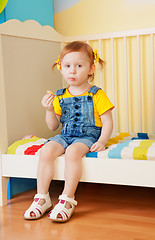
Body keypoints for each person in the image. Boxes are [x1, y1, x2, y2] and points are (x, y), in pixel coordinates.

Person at [24, 41, 114, 222]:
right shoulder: (60, 95)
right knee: (46, 150)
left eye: (79, 66)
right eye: (67, 66)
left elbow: (108, 121)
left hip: (87, 135)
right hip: (65, 135)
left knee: (73, 152)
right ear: (61, 68)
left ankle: (67, 199)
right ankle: (42, 197)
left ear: (90, 69)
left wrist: (102, 140)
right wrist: (49, 110)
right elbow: (52, 127)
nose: (72, 71)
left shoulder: (97, 94)